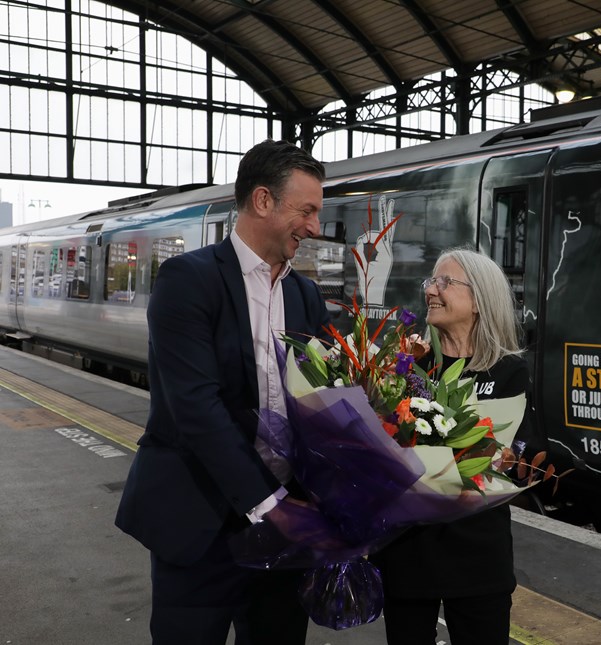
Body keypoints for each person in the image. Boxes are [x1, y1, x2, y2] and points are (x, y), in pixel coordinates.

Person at [115, 139, 330, 645]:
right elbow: (195, 408)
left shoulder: (305, 295)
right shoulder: (189, 279)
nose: (316, 227)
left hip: (286, 530)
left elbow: (325, 401)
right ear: (262, 201)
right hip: (201, 522)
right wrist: (270, 502)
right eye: (307, 210)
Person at [372, 247, 537, 645]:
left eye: (446, 282)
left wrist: (516, 459)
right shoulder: (409, 366)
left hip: (478, 556)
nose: (432, 290)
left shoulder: (509, 370)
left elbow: (520, 450)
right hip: (408, 552)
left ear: (479, 299)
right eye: (432, 280)